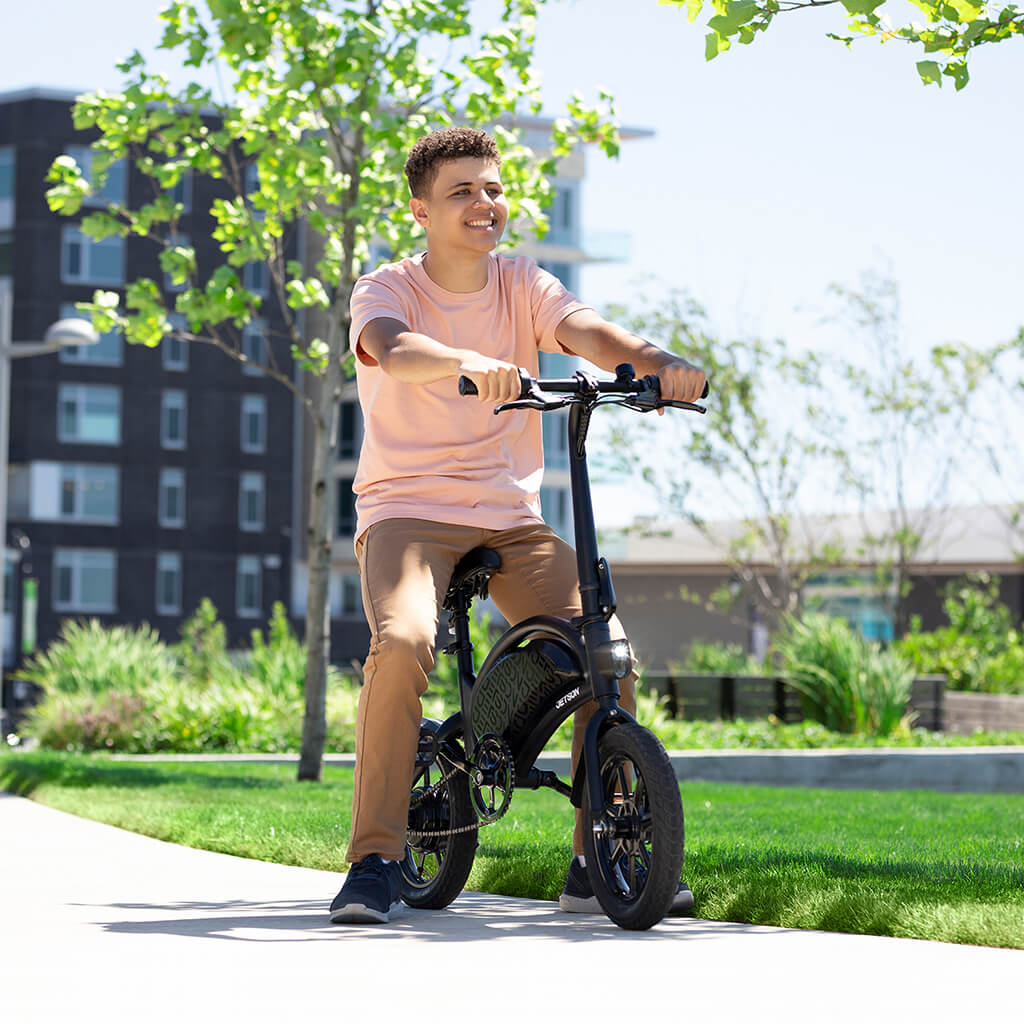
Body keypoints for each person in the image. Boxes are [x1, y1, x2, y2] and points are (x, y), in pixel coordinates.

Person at [330, 126, 706, 924]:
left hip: (507, 519)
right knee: (401, 643)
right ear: (421, 211)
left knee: (607, 647)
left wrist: (655, 360)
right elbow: (394, 352)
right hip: (408, 510)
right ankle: (373, 858)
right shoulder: (385, 288)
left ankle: (596, 859)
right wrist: (465, 363)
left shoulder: (523, 284)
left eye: (493, 188)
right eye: (462, 191)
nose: (483, 203)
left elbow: (589, 333)